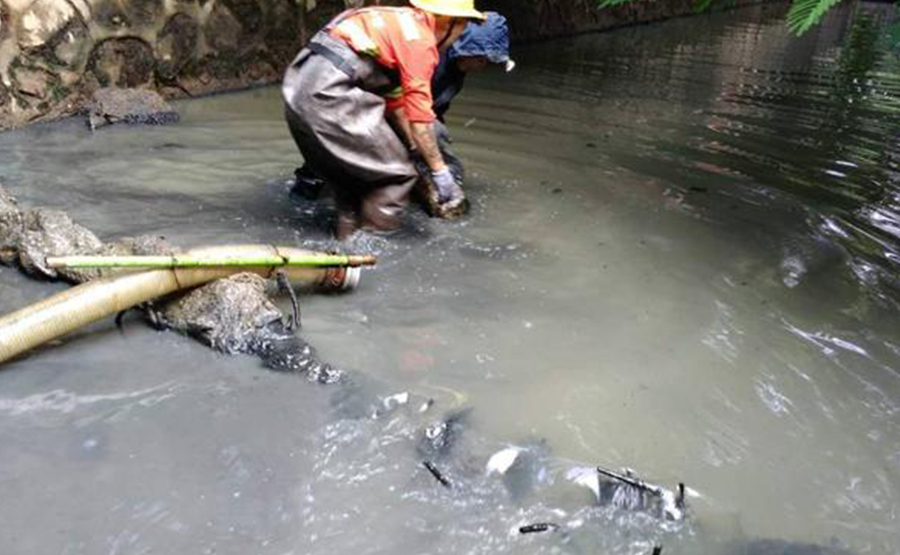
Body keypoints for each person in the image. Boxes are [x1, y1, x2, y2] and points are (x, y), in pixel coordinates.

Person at [282, 0, 486, 240]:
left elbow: (396, 104)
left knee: (352, 185)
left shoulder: (390, 21)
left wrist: (415, 149)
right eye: (464, 25)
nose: (462, 33)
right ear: (451, 21)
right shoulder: (420, 42)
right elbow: (419, 120)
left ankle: (345, 252)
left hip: (297, 88)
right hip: (330, 96)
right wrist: (440, 172)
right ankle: (377, 253)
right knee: (397, 175)